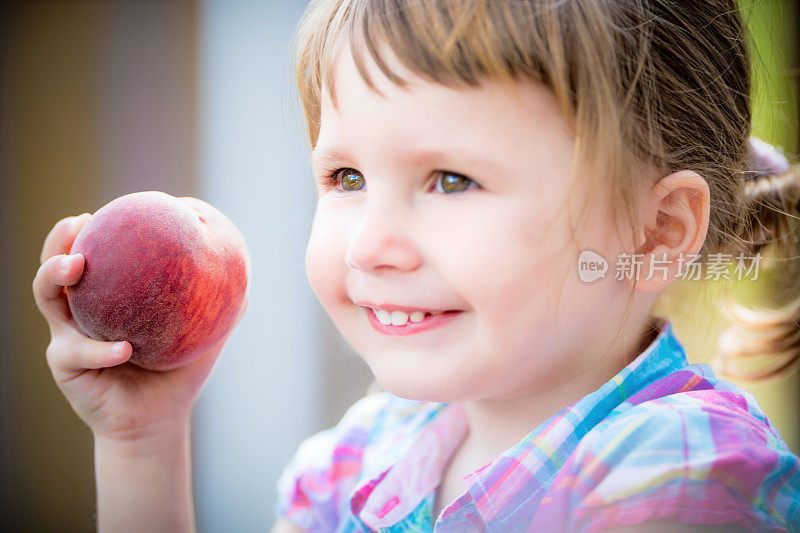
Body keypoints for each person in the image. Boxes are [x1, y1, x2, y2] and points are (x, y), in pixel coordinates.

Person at [31, 0, 800, 532]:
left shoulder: (677, 476)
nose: (370, 244)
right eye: (347, 179)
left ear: (657, 231)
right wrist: (144, 444)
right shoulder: (354, 461)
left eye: (451, 180)